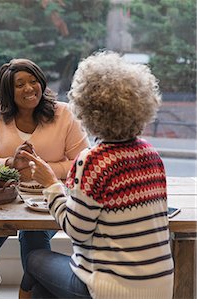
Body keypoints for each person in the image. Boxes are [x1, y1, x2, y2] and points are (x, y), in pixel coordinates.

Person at [20, 51, 174, 299]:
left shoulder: (94, 160)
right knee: (41, 290)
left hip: (109, 290)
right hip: (160, 287)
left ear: (87, 109)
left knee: (33, 259)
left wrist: (50, 184)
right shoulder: (151, 154)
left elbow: (76, 231)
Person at [0, 58, 90, 299]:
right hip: (5, 196)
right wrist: (11, 163)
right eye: (19, 84)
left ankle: (34, 293)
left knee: (33, 241)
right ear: (8, 91)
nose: (29, 88)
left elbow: (83, 160)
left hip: (49, 197)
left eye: (33, 81)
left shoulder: (63, 113)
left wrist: (44, 170)